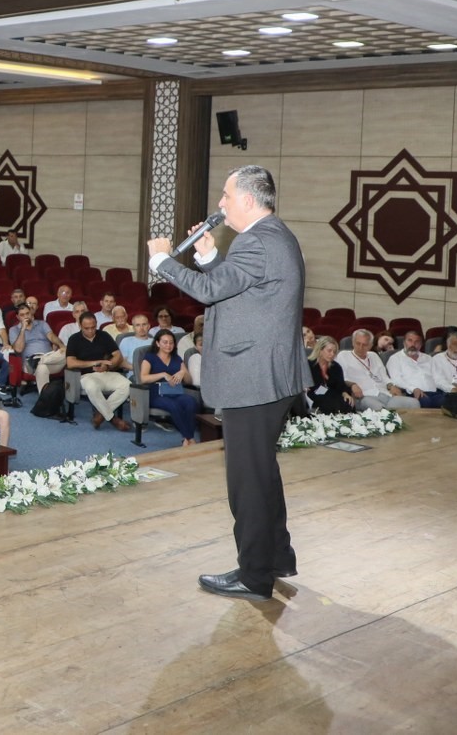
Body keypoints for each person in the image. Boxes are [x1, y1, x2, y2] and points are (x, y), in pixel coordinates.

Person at [148, 164, 309, 602]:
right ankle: (274, 559)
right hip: (267, 376)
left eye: (226, 195)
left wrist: (162, 260)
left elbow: (207, 292)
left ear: (249, 200)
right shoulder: (273, 236)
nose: (220, 203)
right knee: (261, 473)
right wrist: (206, 254)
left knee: (247, 481)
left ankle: (254, 576)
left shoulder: (256, 240)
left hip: (252, 378)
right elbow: (237, 290)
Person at [62, 312, 132, 430]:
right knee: (92, 387)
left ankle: (101, 415)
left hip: (106, 372)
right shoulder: (74, 339)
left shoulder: (103, 335)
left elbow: (117, 355)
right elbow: (70, 362)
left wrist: (108, 366)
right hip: (86, 375)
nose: (90, 331)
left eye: (93, 327)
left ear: (96, 324)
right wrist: (94, 362)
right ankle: (113, 419)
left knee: (128, 385)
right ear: (80, 326)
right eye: (86, 328)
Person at [140, 329, 199, 445]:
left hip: (175, 392)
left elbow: (189, 381)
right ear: (157, 343)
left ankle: (186, 439)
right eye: (165, 342)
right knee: (173, 406)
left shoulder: (177, 358)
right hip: (156, 394)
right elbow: (143, 378)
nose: (168, 345)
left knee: (191, 402)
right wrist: (162, 374)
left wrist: (183, 373)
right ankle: (189, 438)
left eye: (171, 342)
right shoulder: (150, 357)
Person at [10, 304, 65, 402]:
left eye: (27, 313)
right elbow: (18, 349)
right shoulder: (14, 330)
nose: (26, 316)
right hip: (29, 365)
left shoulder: (42, 324)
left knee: (67, 351)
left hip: (50, 359)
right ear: (18, 317)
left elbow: (51, 336)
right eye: (22, 315)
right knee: (42, 368)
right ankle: (46, 403)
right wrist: (22, 329)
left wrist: (61, 345)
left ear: (31, 313)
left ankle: (44, 403)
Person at [307, 338, 356, 414]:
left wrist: (345, 394)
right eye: (329, 351)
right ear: (320, 350)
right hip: (314, 395)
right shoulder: (308, 364)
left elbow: (341, 385)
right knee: (331, 401)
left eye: (334, 352)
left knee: (348, 402)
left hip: (332, 394)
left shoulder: (336, 367)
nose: (332, 354)